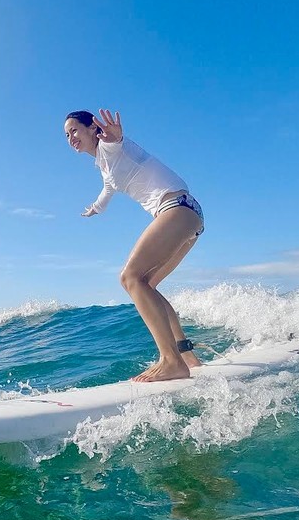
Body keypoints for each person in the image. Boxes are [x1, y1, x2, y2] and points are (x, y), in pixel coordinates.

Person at [64, 108, 205, 382]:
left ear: (93, 127)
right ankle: (186, 355)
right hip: (189, 214)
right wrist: (95, 209)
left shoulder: (110, 147)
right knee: (146, 284)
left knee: (129, 278)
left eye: (75, 131)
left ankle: (170, 361)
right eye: (67, 135)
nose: (70, 137)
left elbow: (115, 142)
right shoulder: (104, 166)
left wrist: (115, 136)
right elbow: (107, 190)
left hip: (175, 208)